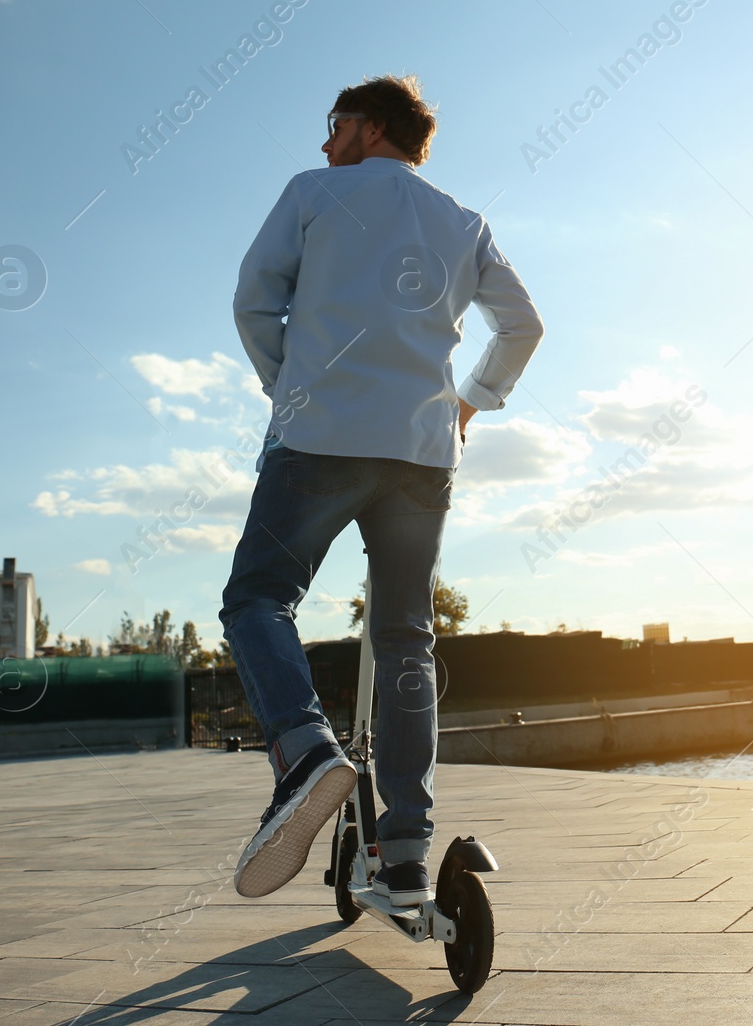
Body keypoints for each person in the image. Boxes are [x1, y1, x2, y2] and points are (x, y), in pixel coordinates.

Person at [219, 75, 544, 902]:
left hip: (318, 437)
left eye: (334, 125)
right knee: (406, 639)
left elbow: (254, 306)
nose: (326, 142)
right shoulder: (462, 222)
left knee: (259, 599)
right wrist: (470, 403)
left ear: (367, 127)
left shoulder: (314, 193)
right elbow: (523, 325)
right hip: (422, 451)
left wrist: (283, 388)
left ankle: (303, 749)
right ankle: (405, 848)